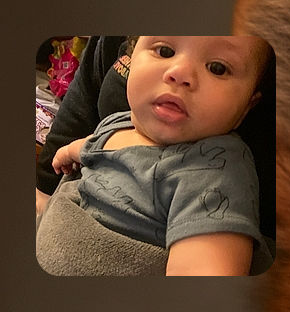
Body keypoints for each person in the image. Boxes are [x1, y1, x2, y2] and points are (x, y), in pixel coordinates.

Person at [41, 36, 272, 276]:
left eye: (217, 68)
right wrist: (66, 153)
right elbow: (94, 147)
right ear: (131, 58)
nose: (180, 73)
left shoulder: (215, 171)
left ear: (247, 106)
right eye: (164, 51)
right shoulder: (119, 122)